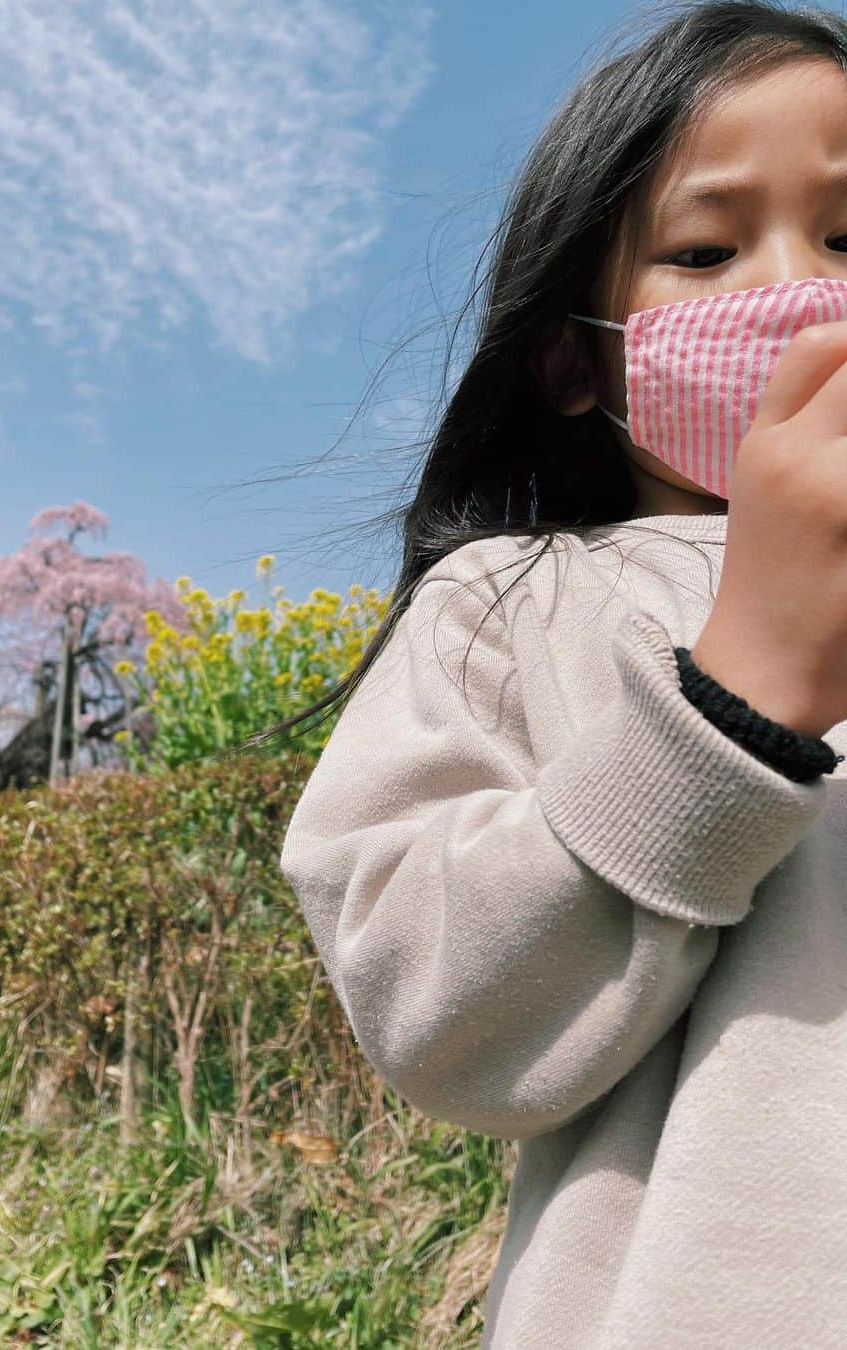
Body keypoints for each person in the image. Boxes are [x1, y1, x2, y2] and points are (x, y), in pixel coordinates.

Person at [274, 3, 847, 1346]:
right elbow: (429, 1004)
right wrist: (733, 703)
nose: (802, 295)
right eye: (707, 248)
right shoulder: (515, 603)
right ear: (573, 359)